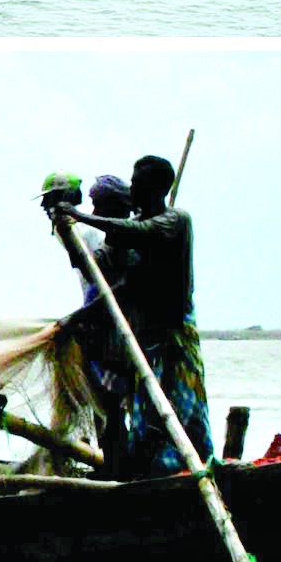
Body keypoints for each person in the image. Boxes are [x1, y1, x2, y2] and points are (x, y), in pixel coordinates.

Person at [53, 154, 209, 478]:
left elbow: (143, 230)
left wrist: (82, 216)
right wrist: (67, 232)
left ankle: (180, 476)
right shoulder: (131, 240)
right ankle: (145, 478)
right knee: (145, 423)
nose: (133, 188)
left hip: (174, 341)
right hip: (145, 345)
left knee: (177, 419)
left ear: (157, 188)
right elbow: (115, 282)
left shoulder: (176, 221)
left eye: (138, 183)